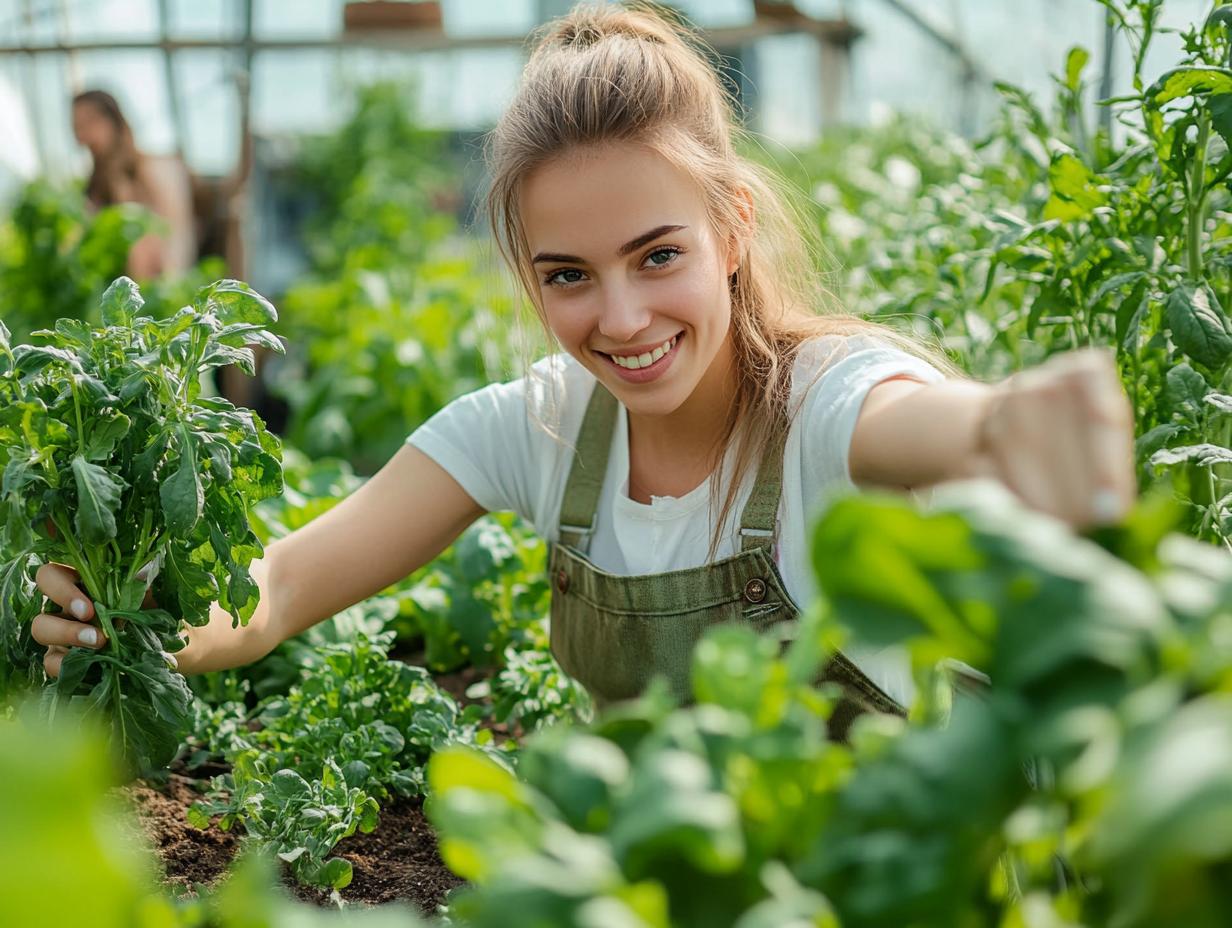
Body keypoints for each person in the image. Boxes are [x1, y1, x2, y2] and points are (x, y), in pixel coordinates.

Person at [34, 3, 1135, 737]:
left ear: (733, 228)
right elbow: (277, 589)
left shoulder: (823, 402)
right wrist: (128, 620)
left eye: (658, 256)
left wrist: (1003, 424)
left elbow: (920, 421)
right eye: (566, 275)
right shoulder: (543, 428)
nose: (620, 319)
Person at [71, 89, 196, 279]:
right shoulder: (95, 184)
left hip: (158, 281)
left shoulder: (153, 169)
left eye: (90, 122)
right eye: (77, 125)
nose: (83, 134)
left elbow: (176, 236)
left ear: (114, 121)